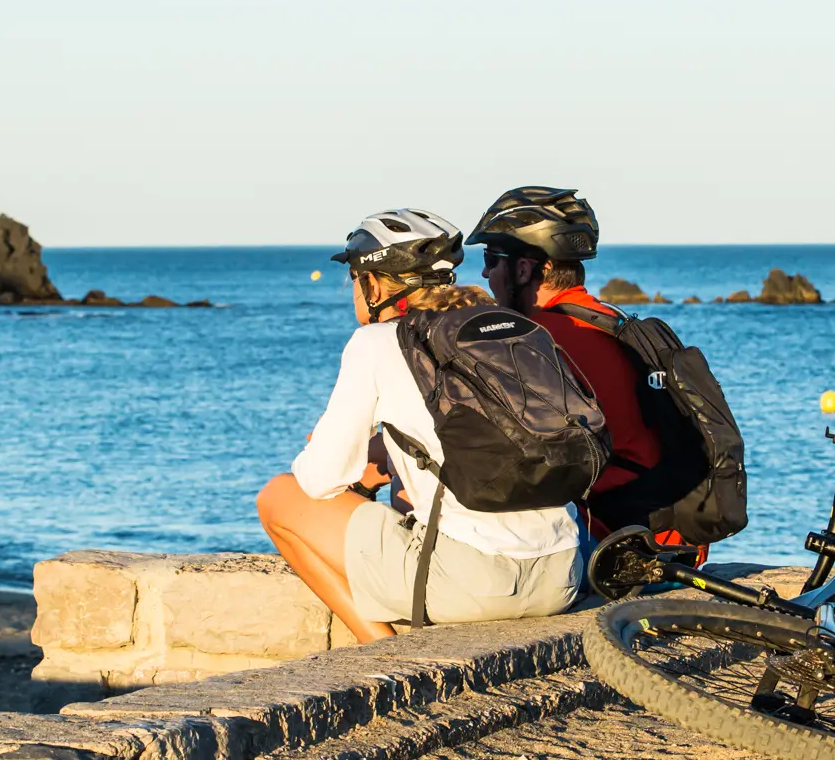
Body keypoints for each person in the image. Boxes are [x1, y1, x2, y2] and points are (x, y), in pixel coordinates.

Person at [256, 208, 583, 643]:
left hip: (476, 586)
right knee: (390, 469)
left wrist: (334, 449)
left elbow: (318, 482)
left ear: (372, 284)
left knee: (280, 496)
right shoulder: (508, 330)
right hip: (563, 573)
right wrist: (380, 452)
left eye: (353, 280)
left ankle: (380, 652)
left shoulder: (376, 341)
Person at [468, 186, 687, 547]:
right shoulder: (610, 322)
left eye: (492, 258)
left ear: (523, 268)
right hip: (670, 533)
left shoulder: (537, 342)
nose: (484, 273)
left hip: (609, 540)